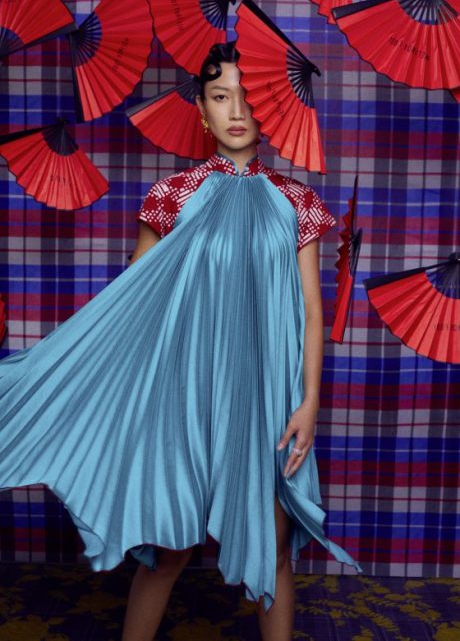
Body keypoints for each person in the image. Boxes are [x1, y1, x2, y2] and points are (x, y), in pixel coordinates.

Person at [0, 41, 361, 641]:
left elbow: (311, 310)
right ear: (202, 110)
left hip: (267, 396)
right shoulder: (173, 196)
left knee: (274, 546)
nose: (237, 111)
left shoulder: (297, 201)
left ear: (271, 108)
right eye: (221, 97)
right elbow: (133, 303)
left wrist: (309, 402)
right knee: (169, 548)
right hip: (184, 392)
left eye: (250, 97)